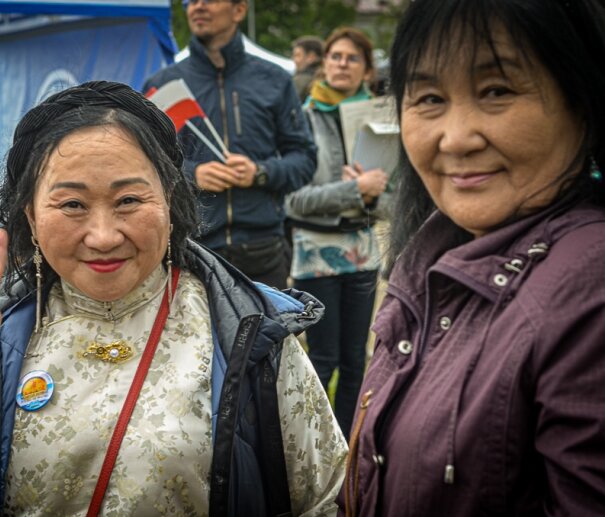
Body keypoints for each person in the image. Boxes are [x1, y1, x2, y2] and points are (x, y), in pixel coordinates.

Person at [0, 81, 347, 516]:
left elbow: (327, 498)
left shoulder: (251, 330)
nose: (103, 236)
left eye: (129, 201)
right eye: (71, 204)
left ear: (170, 201)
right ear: (30, 215)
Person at [338, 0, 605, 515]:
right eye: (430, 98)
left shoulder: (589, 286)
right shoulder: (437, 251)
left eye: (497, 91)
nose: (455, 139)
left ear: (584, 97)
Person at [143, 0, 317, 290]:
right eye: (190, 1)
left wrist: (260, 172)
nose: (197, 7)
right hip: (193, 248)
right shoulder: (164, 84)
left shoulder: (274, 80)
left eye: (208, 0)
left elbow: (305, 159)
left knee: (267, 336)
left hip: (263, 250)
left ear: (239, 10)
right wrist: (193, 175)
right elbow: (145, 164)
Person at [285, 27, 388, 439]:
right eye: (335, 56)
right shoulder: (303, 117)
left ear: (366, 69)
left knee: (356, 364)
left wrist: (369, 196)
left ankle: (348, 448)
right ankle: (317, 448)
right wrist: (351, 190)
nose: (342, 64)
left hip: (362, 250)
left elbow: (393, 198)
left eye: (351, 58)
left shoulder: (381, 120)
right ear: (324, 64)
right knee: (321, 360)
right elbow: (293, 201)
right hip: (315, 251)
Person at [292, 35, 324, 102]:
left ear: (311, 57)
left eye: (298, 55)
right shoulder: (327, 80)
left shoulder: (301, 80)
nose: (294, 60)